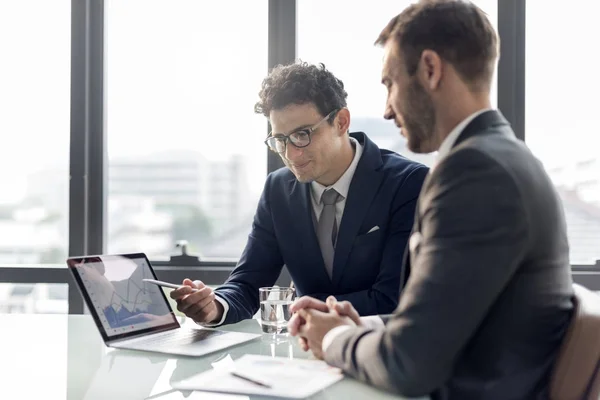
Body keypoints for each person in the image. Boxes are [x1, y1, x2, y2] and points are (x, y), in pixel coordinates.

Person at [288, 1, 574, 398]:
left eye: (389, 83)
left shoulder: (475, 173)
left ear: (430, 69)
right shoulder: (502, 157)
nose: (387, 110)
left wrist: (334, 340)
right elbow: (451, 318)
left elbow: (410, 364)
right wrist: (366, 326)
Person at [170, 62, 428, 326]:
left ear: (341, 122)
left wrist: (302, 312)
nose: (292, 154)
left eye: (302, 135)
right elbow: (248, 282)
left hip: (380, 350)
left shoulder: (408, 184)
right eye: (280, 140)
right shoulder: (277, 189)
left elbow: (393, 298)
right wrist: (214, 306)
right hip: (304, 353)